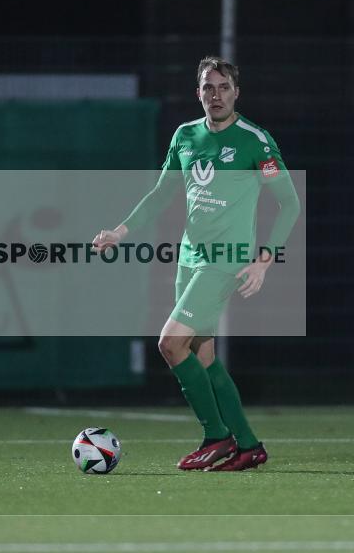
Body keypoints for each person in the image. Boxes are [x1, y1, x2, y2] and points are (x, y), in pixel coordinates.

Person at [92, 56, 300, 471]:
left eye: (224, 87)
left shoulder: (253, 141)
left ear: (236, 92)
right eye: (208, 87)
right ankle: (246, 445)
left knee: (170, 344)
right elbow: (159, 194)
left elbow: (290, 204)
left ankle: (218, 436)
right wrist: (120, 231)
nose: (216, 95)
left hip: (227, 261)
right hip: (190, 257)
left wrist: (263, 260)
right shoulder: (185, 136)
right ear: (198, 93)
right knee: (202, 357)